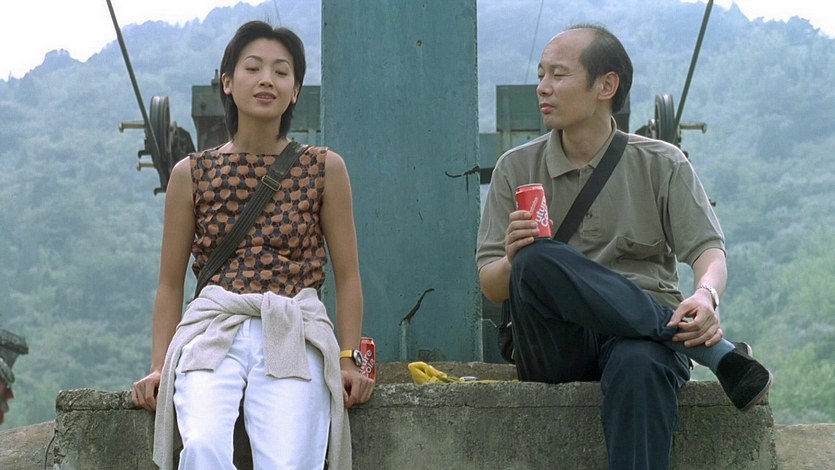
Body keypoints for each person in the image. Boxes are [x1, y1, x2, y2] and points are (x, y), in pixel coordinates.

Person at [477, 24, 772, 469]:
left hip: (636, 340)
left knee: (641, 362)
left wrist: (705, 296)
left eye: (558, 74)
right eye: (541, 75)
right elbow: (491, 284)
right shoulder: (516, 167)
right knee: (536, 258)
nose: (543, 87)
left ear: (606, 85)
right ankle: (705, 348)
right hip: (555, 342)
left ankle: (671, 337)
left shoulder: (661, 162)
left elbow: (708, 251)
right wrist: (514, 260)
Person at [130, 20, 374, 470]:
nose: (267, 80)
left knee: (289, 459)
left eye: (281, 72)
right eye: (253, 68)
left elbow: (348, 276)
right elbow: (169, 283)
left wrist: (347, 358)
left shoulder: (324, 168)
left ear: (295, 90)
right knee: (201, 445)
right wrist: (159, 365)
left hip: (292, 326)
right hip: (213, 327)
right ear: (227, 81)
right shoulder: (191, 173)